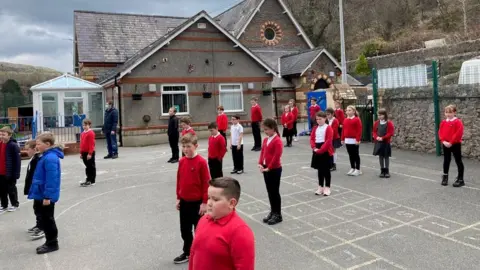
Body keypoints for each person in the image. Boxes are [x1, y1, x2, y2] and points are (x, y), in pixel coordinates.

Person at [189, 177, 255, 270]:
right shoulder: (203, 220)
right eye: (209, 198)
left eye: (215, 200)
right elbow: (193, 253)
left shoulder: (240, 231)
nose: (209, 203)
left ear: (232, 203)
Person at [174, 134, 210, 264]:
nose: (185, 149)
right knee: (185, 230)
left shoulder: (201, 162)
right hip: (184, 202)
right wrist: (178, 198)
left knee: (199, 231)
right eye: (183, 146)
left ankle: (201, 253)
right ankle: (188, 252)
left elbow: (206, 183)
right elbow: (179, 180)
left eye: (188, 146)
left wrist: (205, 203)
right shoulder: (182, 161)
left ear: (196, 146)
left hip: (197, 203)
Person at [28, 132, 64, 254]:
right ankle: (49, 241)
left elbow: (52, 180)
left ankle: (52, 243)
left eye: (38, 144)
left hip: (46, 195)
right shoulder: (45, 155)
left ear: (47, 144)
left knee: (48, 219)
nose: (36, 146)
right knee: (44, 218)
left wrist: (48, 196)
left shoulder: (50, 158)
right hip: (42, 193)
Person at [258, 118, 283, 225]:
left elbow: (277, 156)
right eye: (264, 130)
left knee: (274, 192)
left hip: (274, 169)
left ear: (273, 129)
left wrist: (269, 167)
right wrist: (260, 163)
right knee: (270, 192)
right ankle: (272, 211)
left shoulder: (277, 140)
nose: (265, 132)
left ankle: (278, 214)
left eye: (267, 129)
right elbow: (262, 152)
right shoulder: (265, 139)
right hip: (265, 168)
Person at [439, 105, 465, 187]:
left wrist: (451, 142)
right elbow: (440, 132)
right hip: (445, 144)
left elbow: (458, 133)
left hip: (455, 144)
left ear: (454, 112)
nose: (448, 114)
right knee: (446, 160)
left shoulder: (458, 122)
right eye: (446, 112)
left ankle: (460, 179)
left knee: (458, 160)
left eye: (450, 112)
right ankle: (445, 177)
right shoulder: (443, 122)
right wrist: (443, 141)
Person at [310, 111, 334, 196]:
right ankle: (320, 186)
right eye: (317, 119)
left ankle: (327, 187)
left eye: (320, 119)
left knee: (326, 170)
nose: (318, 121)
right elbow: (312, 138)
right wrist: (314, 147)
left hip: (325, 150)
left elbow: (328, 141)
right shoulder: (315, 128)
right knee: (320, 170)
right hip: (317, 148)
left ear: (325, 119)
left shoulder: (328, 128)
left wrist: (321, 150)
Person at [24, 140, 43, 240]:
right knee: (36, 207)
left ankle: (42, 227)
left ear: (34, 149)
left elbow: (37, 175)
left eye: (28, 149)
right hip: (34, 188)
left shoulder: (38, 159)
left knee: (40, 208)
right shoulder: (34, 158)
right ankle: (38, 224)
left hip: (39, 188)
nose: (26, 151)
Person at [0, 126, 21, 212]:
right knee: (1, 190)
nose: (1, 136)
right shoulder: (0, 143)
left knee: (11, 189)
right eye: (0, 134)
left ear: (9, 135)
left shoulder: (13, 145)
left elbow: (17, 161)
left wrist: (16, 174)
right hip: (0, 172)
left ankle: (14, 204)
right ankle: (4, 205)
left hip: (9, 173)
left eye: (3, 134)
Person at [373, 109, 395, 178]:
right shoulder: (376, 123)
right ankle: (382, 171)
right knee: (380, 156)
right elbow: (374, 132)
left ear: (384, 115)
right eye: (378, 115)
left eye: (381, 115)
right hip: (378, 142)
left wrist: (383, 137)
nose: (379, 116)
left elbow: (390, 133)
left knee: (386, 156)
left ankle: (387, 171)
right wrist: (376, 137)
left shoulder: (389, 123)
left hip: (385, 142)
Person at [341, 106, 362, 176]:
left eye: (350, 110)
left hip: (354, 140)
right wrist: (342, 139)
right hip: (347, 140)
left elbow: (359, 130)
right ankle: (352, 167)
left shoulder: (357, 119)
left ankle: (358, 169)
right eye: (347, 110)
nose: (348, 112)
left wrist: (358, 139)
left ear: (353, 111)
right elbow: (343, 130)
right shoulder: (345, 120)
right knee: (350, 155)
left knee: (355, 154)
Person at [80, 119, 96, 187]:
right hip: (84, 152)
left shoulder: (91, 133)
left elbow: (91, 144)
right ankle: (88, 179)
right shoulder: (82, 133)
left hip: (89, 152)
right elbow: (81, 144)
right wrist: (81, 153)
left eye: (86, 125)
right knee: (87, 167)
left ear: (89, 125)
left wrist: (90, 153)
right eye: (83, 125)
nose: (84, 126)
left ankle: (91, 180)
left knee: (91, 166)